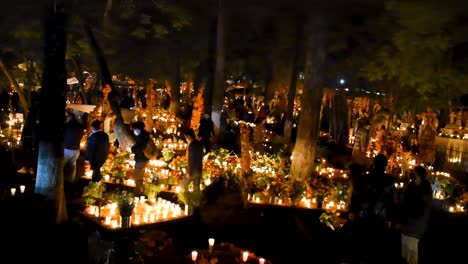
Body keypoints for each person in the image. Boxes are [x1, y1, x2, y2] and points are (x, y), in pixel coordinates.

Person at [399, 166, 433, 264]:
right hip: (407, 222)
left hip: (417, 223)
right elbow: (405, 201)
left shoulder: (425, 188)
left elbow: (423, 207)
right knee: (405, 246)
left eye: (415, 175)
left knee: (411, 248)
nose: (412, 177)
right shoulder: (411, 186)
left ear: (420, 176)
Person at [63, 112, 86, 184]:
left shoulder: (67, 126)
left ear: (69, 118)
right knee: (73, 166)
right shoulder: (80, 127)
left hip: (67, 149)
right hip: (76, 149)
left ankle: (60, 180)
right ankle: (71, 180)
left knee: (61, 166)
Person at [130, 121, 150, 195]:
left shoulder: (141, 136)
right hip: (145, 158)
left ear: (138, 129)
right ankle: (142, 191)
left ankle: (138, 193)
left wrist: (132, 149)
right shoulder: (145, 134)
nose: (134, 131)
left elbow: (139, 148)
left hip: (141, 158)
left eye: (134, 129)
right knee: (140, 177)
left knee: (137, 176)